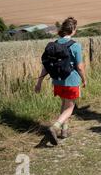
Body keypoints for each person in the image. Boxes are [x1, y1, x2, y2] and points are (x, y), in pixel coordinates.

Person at [35, 17, 87, 146]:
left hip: (57, 82)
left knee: (64, 104)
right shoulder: (75, 45)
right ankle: (55, 127)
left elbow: (46, 66)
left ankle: (65, 130)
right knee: (70, 107)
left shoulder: (54, 45)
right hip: (71, 81)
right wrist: (84, 79)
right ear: (73, 30)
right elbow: (80, 66)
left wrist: (39, 82)